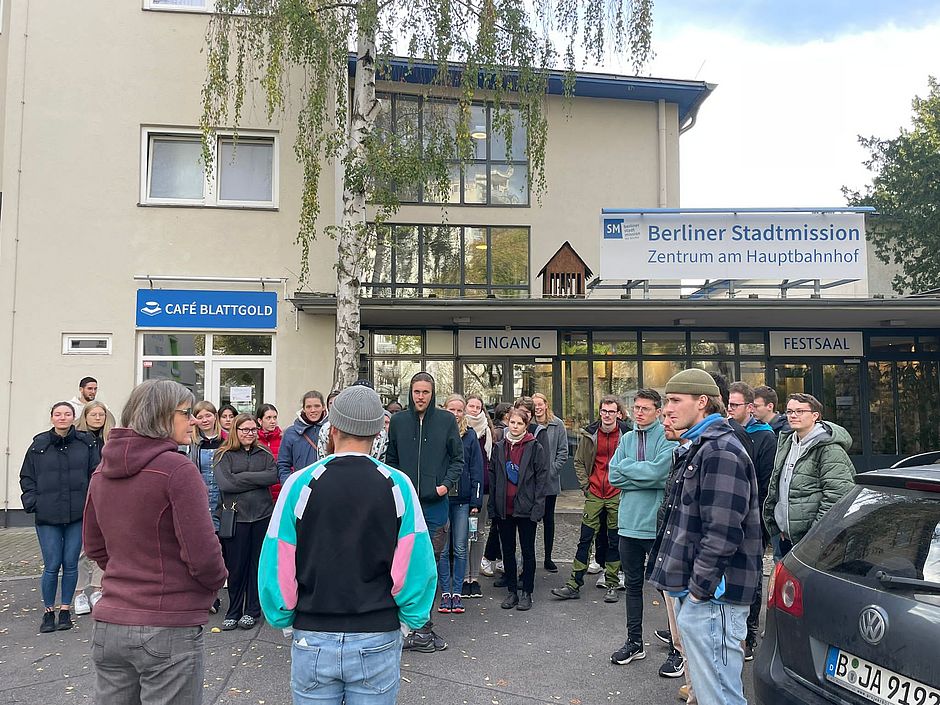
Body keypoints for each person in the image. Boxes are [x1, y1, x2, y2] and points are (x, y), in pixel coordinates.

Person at [258, 385, 437, 705]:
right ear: (377, 431)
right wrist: (410, 621)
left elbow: (278, 559)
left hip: (312, 634)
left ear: (333, 427)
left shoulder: (299, 484)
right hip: (377, 633)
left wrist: (283, 617)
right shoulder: (399, 485)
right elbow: (416, 566)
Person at [82, 379, 227, 705]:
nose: (193, 420)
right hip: (167, 625)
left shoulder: (102, 470)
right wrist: (212, 586)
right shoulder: (177, 469)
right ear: (161, 415)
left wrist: (129, 570)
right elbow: (203, 555)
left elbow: (94, 546)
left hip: (111, 623)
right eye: (186, 413)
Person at [647, 369, 762, 705]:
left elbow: (723, 532)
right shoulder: (699, 447)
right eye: (666, 401)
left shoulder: (720, 450)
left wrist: (698, 592)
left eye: (674, 400)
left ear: (702, 402)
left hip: (714, 598)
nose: (666, 409)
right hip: (704, 595)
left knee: (720, 697)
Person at [386, 371, 463, 653]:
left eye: (426, 392)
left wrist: (444, 486)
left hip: (435, 507)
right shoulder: (398, 421)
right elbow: (391, 460)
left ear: (433, 395)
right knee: (403, 567)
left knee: (429, 568)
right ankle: (404, 626)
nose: (421, 397)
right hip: (404, 507)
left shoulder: (445, 421)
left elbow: (458, 459)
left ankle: (424, 628)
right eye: (417, 392)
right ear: (411, 393)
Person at [607, 389, 675, 667]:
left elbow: (661, 473)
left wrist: (629, 470)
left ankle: (678, 648)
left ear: (658, 411)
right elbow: (613, 475)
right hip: (628, 524)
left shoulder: (667, 436)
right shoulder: (626, 438)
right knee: (633, 587)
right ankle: (634, 642)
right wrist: (644, 474)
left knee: (668, 592)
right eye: (636, 407)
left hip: (656, 525)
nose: (639, 412)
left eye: (646, 408)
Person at [20, 402, 100, 632]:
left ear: (73, 417)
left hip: (76, 514)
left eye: (67, 414)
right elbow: (27, 476)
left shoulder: (85, 443)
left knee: (71, 564)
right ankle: (48, 611)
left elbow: (95, 474)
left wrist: (90, 502)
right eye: (58, 414)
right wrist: (33, 502)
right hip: (47, 515)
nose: (62, 417)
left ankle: (65, 610)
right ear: (52, 418)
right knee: (52, 565)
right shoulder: (39, 445)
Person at [551, 395, 629, 602]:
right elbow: (578, 462)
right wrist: (586, 486)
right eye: (604, 411)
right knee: (585, 538)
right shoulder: (590, 434)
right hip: (595, 492)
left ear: (618, 413)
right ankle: (574, 583)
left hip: (616, 493)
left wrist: (624, 486)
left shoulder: (627, 435)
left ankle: (612, 582)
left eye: (611, 411)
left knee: (615, 539)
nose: (607, 415)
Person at [764, 393, 855, 556]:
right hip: (786, 538)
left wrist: (815, 535)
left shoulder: (829, 449)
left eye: (800, 411)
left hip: (815, 541)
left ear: (815, 416)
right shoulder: (787, 442)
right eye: (790, 411)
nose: (793, 416)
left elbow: (838, 495)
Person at [213, 413, 278, 630]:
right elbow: (226, 484)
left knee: (256, 565)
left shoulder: (265, 453)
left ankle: (252, 610)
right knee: (236, 566)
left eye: (252, 429)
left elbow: (272, 476)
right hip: (235, 517)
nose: (249, 433)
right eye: (244, 430)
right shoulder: (223, 454)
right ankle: (233, 610)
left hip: (262, 515)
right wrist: (255, 479)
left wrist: (240, 477)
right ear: (236, 431)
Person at [727, 381, 777, 659]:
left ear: (749, 407)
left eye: (735, 405)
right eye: (728, 404)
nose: (730, 410)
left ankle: (749, 633)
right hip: (730, 514)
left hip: (753, 518)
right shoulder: (727, 431)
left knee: (752, 574)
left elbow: (765, 482)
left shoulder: (765, 437)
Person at [488, 406, 549, 610]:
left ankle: (527, 592)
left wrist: (538, 508)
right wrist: (493, 507)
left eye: (519, 423)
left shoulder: (534, 447)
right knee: (507, 551)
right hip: (504, 507)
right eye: (512, 422)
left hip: (526, 507)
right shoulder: (499, 447)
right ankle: (512, 591)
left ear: (526, 425)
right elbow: (494, 477)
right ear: (507, 422)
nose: (515, 426)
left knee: (528, 551)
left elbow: (541, 480)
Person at [437, 394, 483, 615]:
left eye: (459, 410)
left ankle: (458, 592)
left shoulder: (471, 436)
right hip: (441, 497)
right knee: (443, 548)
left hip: (463, 499)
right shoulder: (437, 433)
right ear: (444, 410)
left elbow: (476, 468)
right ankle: (445, 592)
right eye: (451, 410)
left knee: (461, 546)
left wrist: (476, 499)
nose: (455, 414)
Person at [73, 401, 115, 615]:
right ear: (85, 416)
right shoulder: (77, 439)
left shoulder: (111, 439)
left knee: (103, 544)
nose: (98, 418)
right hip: (82, 497)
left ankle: (98, 589)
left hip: (106, 497)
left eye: (101, 414)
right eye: (94, 414)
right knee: (82, 548)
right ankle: (79, 591)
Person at [462, 393, 495, 598]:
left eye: (477, 407)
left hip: (484, 489)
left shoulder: (488, 431)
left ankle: (475, 577)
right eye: (471, 406)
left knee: (478, 532)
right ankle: (463, 577)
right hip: (463, 489)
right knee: (462, 536)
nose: (474, 410)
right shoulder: (460, 430)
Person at [532, 392, 568, 573]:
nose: (537, 407)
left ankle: (548, 557)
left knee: (549, 520)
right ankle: (528, 557)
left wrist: (551, 470)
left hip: (549, 481)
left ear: (546, 405)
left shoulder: (557, 424)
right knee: (529, 521)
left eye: (540, 404)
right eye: (534, 404)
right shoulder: (528, 424)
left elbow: (563, 452)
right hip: (530, 482)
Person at [480, 401, 512, 578]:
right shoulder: (499, 432)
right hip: (497, 484)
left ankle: (498, 558)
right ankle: (488, 557)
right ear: (506, 414)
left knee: (498, 525)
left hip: (500, 484)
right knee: (496, 525)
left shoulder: (497, 430)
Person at [187, 401, 225, 534]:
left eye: (208, 415)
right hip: (200, 498)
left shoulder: (227, 441)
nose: (204, 420)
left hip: (222, 500)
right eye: (200, 417)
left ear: (215, 416)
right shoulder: (190, 443)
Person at [277, 390, 327, 484]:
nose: (313, 410)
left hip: (327, 485)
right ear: (303, 409)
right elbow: (283, 464)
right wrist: (290, 484)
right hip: (301, 485)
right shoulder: (291, 433)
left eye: (317, 406)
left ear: (323, 407)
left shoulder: (332, 430)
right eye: (308, 407)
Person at [256, 403, 282, 500]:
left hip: (280, 490)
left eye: (275, 418)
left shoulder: (283, 439)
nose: (273, 421)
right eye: (268, 418)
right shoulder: (254, 441)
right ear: (260, 421)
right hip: (262, 492)